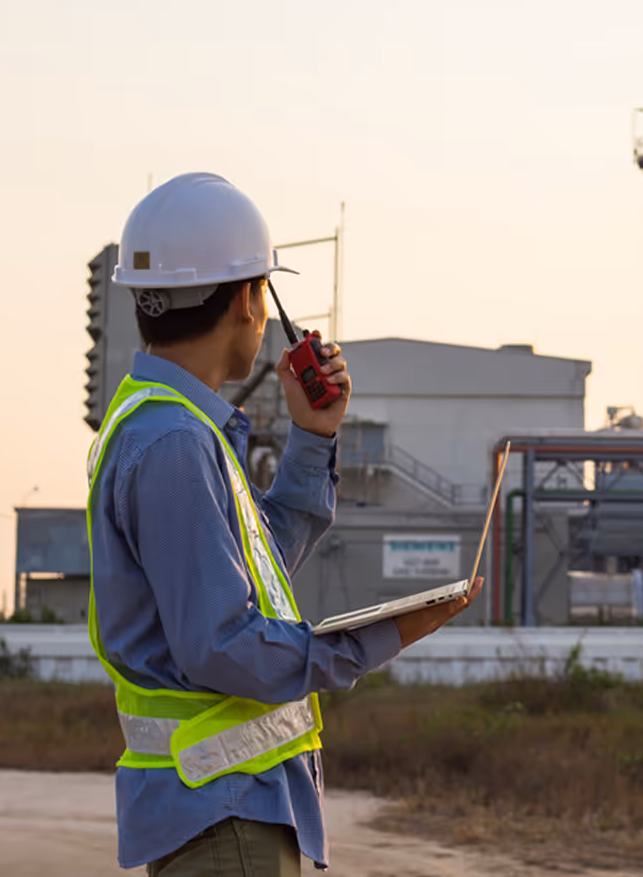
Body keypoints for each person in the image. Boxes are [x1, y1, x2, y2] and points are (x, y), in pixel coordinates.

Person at [87, 172, 478, 875]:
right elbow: (222, 646)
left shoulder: (176, 431)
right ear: (246, 297)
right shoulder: (176, 443)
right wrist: (377, 639)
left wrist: (313, 437)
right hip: (223, 817)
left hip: (225, 813)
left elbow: (256, 564)